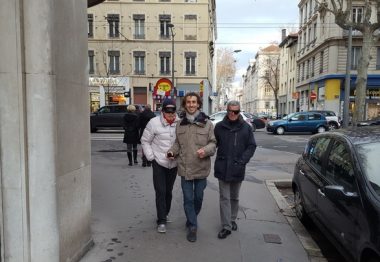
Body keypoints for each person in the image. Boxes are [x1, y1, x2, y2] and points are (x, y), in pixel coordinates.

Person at [168, 92, 216, 243]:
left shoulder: (207, 124)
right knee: (188, 198)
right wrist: (172, 151)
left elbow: (213, 143)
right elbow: (177, 143)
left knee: (198, 198)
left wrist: (205, 150)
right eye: (188, 102)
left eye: (194, 102)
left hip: (201, 168)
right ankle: (193, 226)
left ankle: (191, 218)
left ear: (198, 104)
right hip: (185, 168)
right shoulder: (180, 124)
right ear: (185, 104)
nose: (191, 104)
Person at [213, 100, 257, 239]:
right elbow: (213, 144)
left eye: (236, 111)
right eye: (230, 111)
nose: (232, 114)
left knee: (234, 197)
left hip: (238, 167)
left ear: (239, 112)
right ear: (226, 110)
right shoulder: (219, 127)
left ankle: (232, 219)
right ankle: (226, 226)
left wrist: (242, 161)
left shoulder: (246, 127)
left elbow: (251, 146)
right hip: (223, 166)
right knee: (224, 197)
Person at [141, 98, 180, 233]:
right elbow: (145, 140)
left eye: (173, 110)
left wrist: (177, 155)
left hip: (173, 163)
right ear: (162, 111)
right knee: (160, 191)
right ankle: (161, 220)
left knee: (168, 191)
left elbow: (182, 142)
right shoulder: (153, 123)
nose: (170, 114)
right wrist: (151, 157)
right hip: (158, 162)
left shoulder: (179, 123)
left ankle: (165, 213)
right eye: (167, 111)